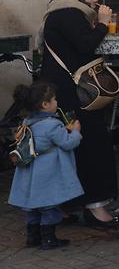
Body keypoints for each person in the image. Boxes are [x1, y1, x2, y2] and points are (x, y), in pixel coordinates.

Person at [38, 0, 119, 228]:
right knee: (92, 145)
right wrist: (104, 24)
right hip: (72, 94)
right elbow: (85, 45)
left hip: (62, 92)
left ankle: (62, 205)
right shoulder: (70, 13)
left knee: (66, 149)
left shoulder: (63, 11)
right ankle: (94, 207)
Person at [8, 82, 82, 250]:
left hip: (31, 173)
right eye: (54, 100)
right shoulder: (52, 125)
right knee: (50, 206)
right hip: (48, 173)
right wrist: (76, 131)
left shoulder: (27, 123)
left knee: (34, 207)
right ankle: (49, 239)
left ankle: (32, 238)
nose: (57, 102)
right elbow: (68, 143)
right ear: (45, 104)